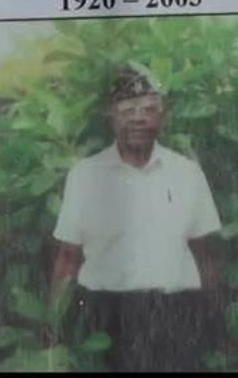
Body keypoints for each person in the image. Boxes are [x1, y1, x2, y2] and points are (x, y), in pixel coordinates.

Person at [49, 62, 222, 372]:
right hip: (105, 317)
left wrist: (214, 320)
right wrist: (54, 330)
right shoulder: (85, 175)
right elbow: (68, 257)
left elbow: (204, 254)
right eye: (127, 109)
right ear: (110, 116)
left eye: (148, 109)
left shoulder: (187, 173)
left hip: (175, 315)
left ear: (163, 116)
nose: (139, 118)